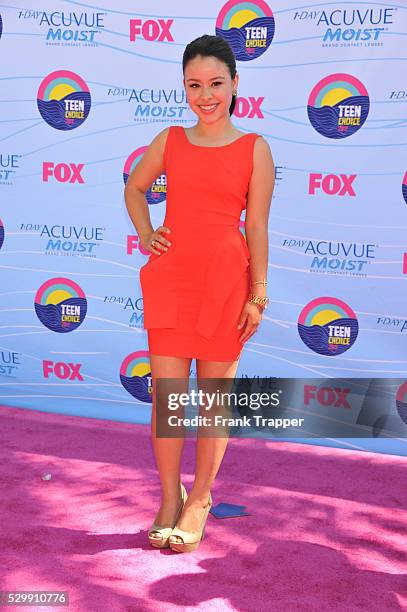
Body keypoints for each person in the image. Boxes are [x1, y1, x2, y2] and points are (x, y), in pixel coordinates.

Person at [124, 34, 275, 553]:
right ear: (183, 87)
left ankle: (200, 500)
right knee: (168, 402)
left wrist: (258, 294)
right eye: (194, 85)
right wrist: (146, 233)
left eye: (215, 83)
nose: (205, 94)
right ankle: (170, 496)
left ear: (235, 84)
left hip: (226, 285)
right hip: (171, 279)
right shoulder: (170, 140)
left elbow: (255, 226)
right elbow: (135, 187)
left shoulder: (255, 148)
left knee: (213, 403)